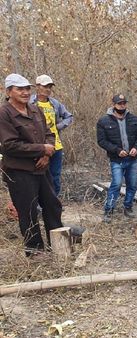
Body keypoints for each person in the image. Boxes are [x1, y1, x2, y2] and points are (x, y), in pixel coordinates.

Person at [0, 74, 63, 256]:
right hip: (20, 171)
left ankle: (58, 245)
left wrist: (47, 153)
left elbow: (50, 133)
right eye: (20, 89)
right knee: (28, 212)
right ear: (9, 91)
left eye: (27, 88)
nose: (25, 92)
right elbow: (10, 145)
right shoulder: (4, 114)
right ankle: (35, 252)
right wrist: (41, 149)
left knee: (52, 205)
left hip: (42, 168)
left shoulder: (35, 109)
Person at [96, 94, 137, 223]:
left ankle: (128, 207)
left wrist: (136, 147)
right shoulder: (104, 121)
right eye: (119, 103)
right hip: (117, 159)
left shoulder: (133, 119)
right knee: (116, 183)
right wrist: (117, 150)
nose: (122, 106)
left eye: (124, 103)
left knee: (133, 184)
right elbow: (101, 141)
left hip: (132, 158)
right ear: (114, 105)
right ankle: (109, 210)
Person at [30, 74, 74, 195]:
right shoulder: (30, 103)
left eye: (50, 87)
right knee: (37, 175)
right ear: (37, 86)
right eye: (45, 86)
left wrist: (58, 126)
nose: (48, 89)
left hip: (56, 145)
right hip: (37, 146)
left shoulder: (55, 103)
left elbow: (69, 117)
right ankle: (38, 204)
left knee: (55, 176)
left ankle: (54, 202)